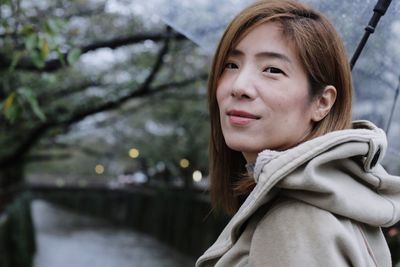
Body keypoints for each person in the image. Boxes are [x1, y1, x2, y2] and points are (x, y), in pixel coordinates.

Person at [196, 0, 400, 266]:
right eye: (231, 64)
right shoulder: (338, 204)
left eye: (272, 70)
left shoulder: (292, 223)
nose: (239, 86)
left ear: (322, 102)